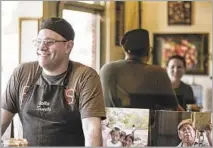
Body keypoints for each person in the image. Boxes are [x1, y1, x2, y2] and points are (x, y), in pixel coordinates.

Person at [1, 17, 106, 146]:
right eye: (39, 41)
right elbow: (1, 120)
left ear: (68, 46)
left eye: (49, 42)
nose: (41, 47)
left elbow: (92, 131)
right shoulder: (23, 73)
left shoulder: (85, 76)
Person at [100, 28, 181, 111]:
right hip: (145, 123)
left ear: (125, 50)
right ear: (148, 52)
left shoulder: (106, 69)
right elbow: (173, 108)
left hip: (109, 123)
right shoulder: (157, 72)